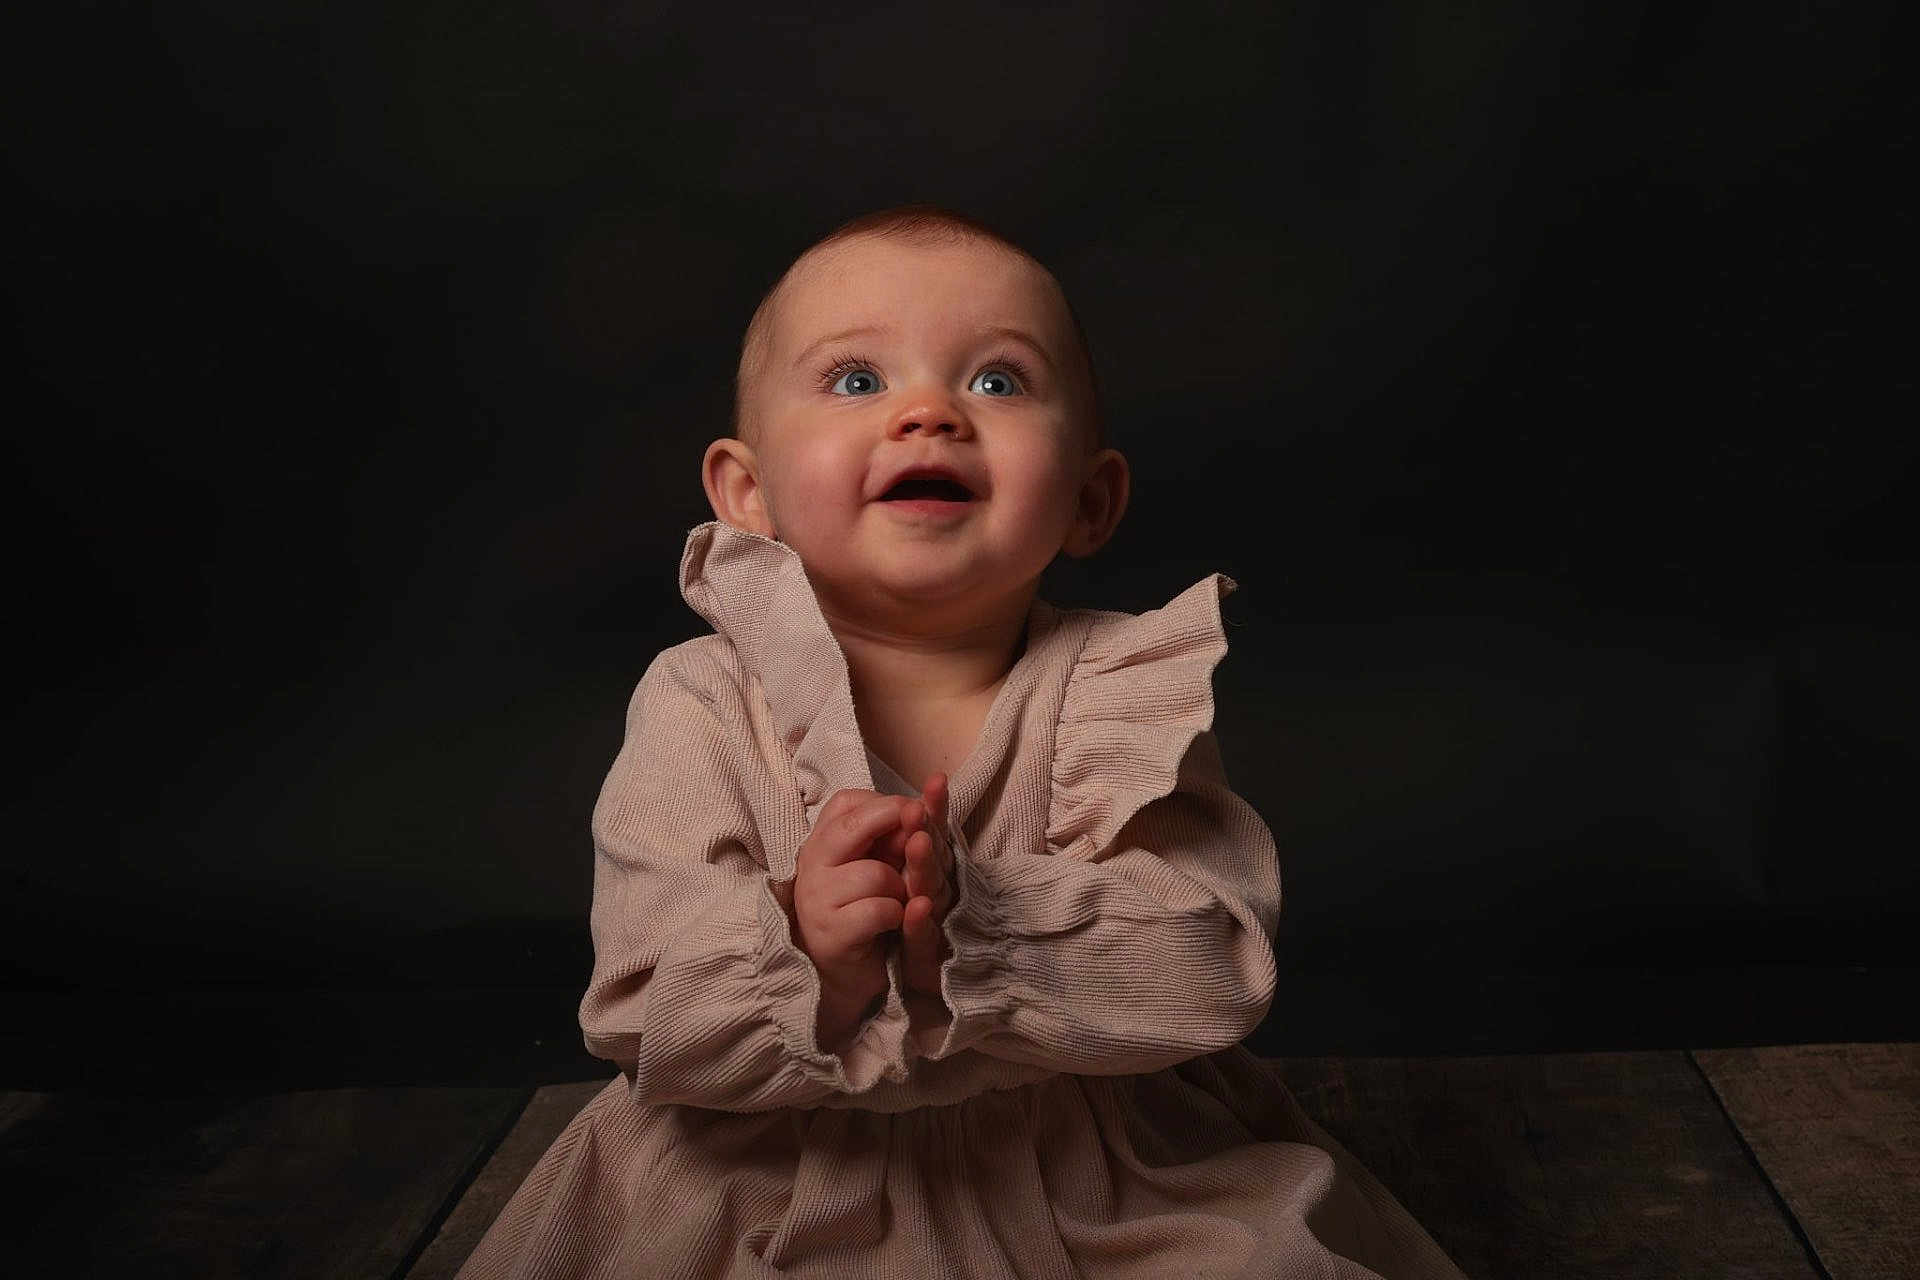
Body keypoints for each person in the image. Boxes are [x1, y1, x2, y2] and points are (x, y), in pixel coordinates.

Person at [455, 204, 1467, 1279]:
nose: (929, 412)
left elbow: (1215, 956)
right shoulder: (702, 699)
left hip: (1107, 1169)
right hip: (763, 1168)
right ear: (747, 495)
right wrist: (807, 944)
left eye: (997, 381)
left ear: (1090, 497)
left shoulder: (1120, 689)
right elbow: (642, 1000)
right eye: (856, 380)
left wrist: (986, 923)